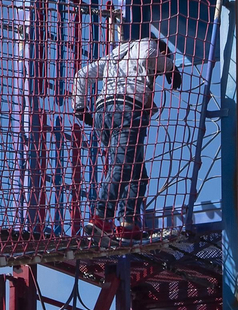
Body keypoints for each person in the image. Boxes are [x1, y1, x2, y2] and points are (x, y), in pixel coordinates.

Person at [72, 35, 182, 239]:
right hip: (127, 110)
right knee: (122, 167)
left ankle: (128, 224)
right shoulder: (147, 45)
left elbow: (82, 74)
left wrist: (80, 107)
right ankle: (101, 218)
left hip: (103, 114)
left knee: (137, 175)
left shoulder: (116, 55)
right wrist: (170, 67)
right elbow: (149, 55)